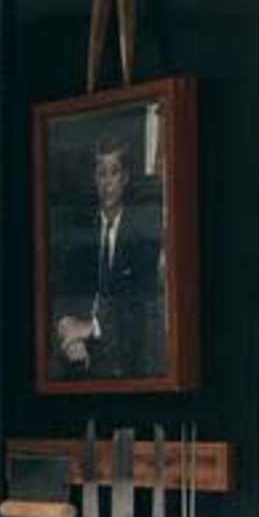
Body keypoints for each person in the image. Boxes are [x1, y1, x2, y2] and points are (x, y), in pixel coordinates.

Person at [50, 132, 167, 379]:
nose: (107, 183)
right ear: (94, 179)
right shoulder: (83, 233)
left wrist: (92, 327)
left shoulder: (142, 234)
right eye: (101, 174)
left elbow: (139, 306)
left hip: (128, 354)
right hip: (86, 354)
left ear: (124, 178)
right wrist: (67, 332)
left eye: (113, 172)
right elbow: (64, 294)